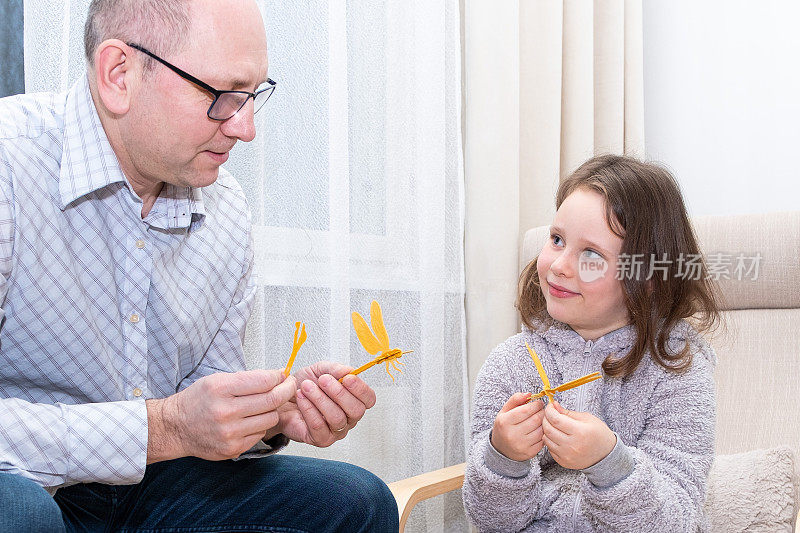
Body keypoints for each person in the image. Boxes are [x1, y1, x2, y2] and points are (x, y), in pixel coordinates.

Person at [0, 1, 399, 531]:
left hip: (153, 484)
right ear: (119, 74)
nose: (246, 128)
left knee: (359, 502)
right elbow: (176, 427)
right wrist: (163, 429)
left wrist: (269, 415)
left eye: (253, 95)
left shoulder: (225, 208)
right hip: (27, 481)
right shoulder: (11, 164)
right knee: (22, 514)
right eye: (221, 97)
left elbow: (203, 408)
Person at [462, 155, 722, 532]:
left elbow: (676, 520)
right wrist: (504, 457)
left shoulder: (678, 370)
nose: (559, 265)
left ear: (647, 276)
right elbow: (491, 522)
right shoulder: (511, 363)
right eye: (556, 240)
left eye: (591, 255)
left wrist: (610, 465)